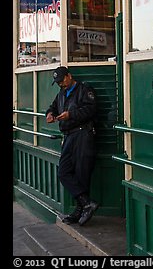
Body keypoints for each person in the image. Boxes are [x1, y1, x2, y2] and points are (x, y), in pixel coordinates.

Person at [46, 66, 99, 226]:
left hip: (83, 134)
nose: (61, 84)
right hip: (69, 136)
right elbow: (52, 107)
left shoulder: (84, 90)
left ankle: (79, 210)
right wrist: (49, 114)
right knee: (64, 172)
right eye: (58, 83)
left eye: (62, 81)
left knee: (82, 172)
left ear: (69, 76)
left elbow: (91, 109)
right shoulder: (61, 94)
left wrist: (71, 114)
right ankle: (86, 203)